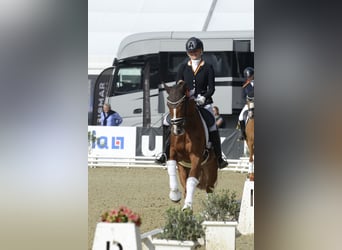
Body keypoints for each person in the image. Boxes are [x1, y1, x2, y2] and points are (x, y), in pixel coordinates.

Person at [156, 37, 228, 169]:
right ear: (187, 53)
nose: (194, 53)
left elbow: (211, 89)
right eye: (191, 52)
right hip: (186, 103)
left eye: (196, 51)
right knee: (167, 121)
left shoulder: (208, 67)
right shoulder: (183, 67)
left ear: (201, 51)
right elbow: (178, 86)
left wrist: (203, 97)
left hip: (203, 102)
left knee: (212, 124)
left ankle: (218, 157)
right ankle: (165, 153)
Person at [238, 67, 254, 140]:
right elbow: (243, 97)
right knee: (241, 117)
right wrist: (248, 101)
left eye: (250, 76)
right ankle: (243, 133)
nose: (249, 78)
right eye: (248, 77)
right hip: (249, 104)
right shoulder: (245, 86)